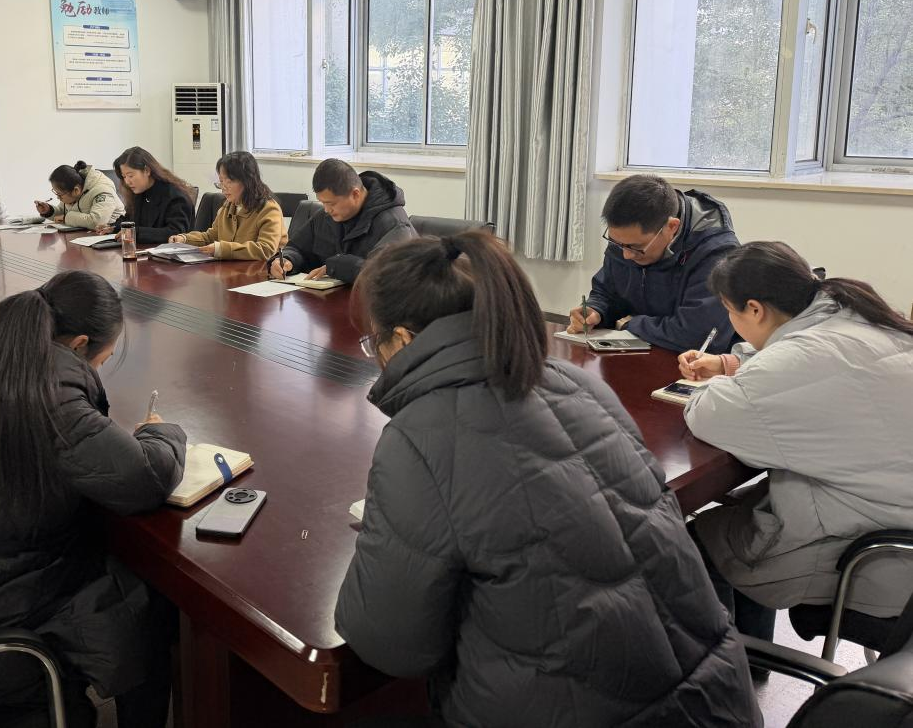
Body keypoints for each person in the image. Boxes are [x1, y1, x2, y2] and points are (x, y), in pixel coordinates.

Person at [335, 230, 760, 728]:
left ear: (405, 340)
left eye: (376, 342)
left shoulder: (417, 438)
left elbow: (390, 644)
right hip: (717, 701)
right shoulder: (577, 382)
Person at [0, 270, 187, 728]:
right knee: (147, 598)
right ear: (79, 344)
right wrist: (160, 433)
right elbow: (144, 479)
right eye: (102, 360)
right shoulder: (46, 391)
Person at [682, 241, 913, 640]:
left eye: (730, 311)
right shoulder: (857, 317)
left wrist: (720, 379)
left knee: (693, 542)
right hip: (891, 513)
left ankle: (729, 662)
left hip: (877, 556)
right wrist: (732, 364)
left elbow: (709, 414)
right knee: (742, 517)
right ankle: (754, 656)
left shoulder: (802, 358)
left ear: (754, 309)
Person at [567, 174, 739, 353]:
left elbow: (699, 335)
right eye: (616, 243)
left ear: (672, 227)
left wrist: (630, 323)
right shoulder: (627, 239)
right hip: (637, 351)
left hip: (694, 363)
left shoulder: (716, 253)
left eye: (636, 247)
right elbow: (608, 291)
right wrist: (596, 310)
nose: (626, 255)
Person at [273, 159, 414, 284]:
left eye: (331, 203)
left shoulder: (394, 224)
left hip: (374, 303)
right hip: (325, 301)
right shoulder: (327, 216)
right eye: (323, 203)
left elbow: (385, 275)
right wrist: (287, 260)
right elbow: (297, 248)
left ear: (355, 194)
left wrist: (338, 266)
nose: (326, 210)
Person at [169, 151, 285, 261]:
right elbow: (212, 237)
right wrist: (185, 239)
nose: (223, 188)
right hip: (232, 269)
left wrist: (221, 249)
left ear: (247, 181)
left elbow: (266, 249)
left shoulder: (268, 209)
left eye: (229, 181)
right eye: (221, 182)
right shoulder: (228, 206)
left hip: (260, 271)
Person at [99, 146, 195, 244]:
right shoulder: (140, 192)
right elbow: (130, 219)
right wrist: (114, 227)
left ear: (147, 171)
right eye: (124, 177)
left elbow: (175, 233)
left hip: (170, 252)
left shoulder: (175, 195)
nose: (127, 182)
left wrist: (135, 233)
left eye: (130, 176)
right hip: (144, 250)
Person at [33, 160, 125, 231]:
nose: (58, 197)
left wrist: (66, 218)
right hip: (85, 235)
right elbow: (62, 213)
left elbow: (97, 222)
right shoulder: (73, 190)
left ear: (76, 190)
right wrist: (49, 211)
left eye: (60, 194)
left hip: (111, 238)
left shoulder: (103, 191)